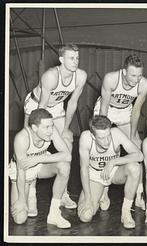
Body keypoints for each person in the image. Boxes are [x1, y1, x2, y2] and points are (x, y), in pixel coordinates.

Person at [23, 43, 87, 213]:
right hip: (37, 106)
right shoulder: (50, 76)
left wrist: (65, 128)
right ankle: (31, 194)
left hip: (57, 107)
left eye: (77, 58)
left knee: (67, 140)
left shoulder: (80, 76)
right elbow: (42, 108)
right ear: (61, 59)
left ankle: (63, 193)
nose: (75, 61)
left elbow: (72, 103)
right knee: (32, 147)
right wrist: (41, 134)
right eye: (71, 58)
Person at [93, 54, 147, 211]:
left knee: (137, 147)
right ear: (124, 71)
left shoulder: (144, 84)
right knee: (103, 147)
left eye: (140, 75)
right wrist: (104, 133)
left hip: (125, 112)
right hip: (106, 110)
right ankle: (103, 190)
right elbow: (104, 107)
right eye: (133, 75)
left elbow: (136, 110)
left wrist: (133, 134)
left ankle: (139, 194)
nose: (136, 79)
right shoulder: (111, 79)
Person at [9, 108, 72, 228]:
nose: (50, 131)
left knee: (64, 166)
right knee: (20, 218)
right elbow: (21, 170)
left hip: (41, 165)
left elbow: (67, 155)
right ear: (34, 128)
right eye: (46, 127)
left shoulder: (51, 131)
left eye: (51, 126)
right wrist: (22, 200)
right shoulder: (22, 138)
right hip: (23, 172)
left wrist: (37, 159)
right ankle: (30, 191)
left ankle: (54, 214)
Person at [77, 115, 143, 229]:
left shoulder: (116, 133)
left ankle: (126, 212)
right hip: (95, 175)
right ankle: (101, 193)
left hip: (114, 172)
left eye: (108, 136)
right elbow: (84, 169)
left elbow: (139, 155)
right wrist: (88, 199)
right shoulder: (85, 138)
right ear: (93, 136)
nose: (107, 141)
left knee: (135, 168)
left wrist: (113, 162)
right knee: (86, 216)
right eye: (102, 138)